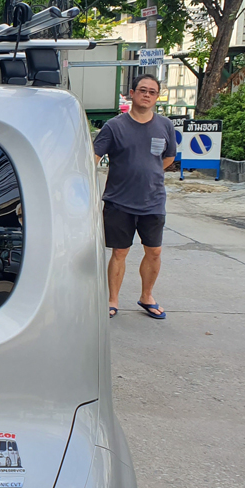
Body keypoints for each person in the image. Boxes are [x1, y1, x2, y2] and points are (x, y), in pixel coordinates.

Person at [93, 73, 176, 320]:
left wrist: (148, 174)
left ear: (157, 96)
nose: (147, 94)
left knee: (154, 251)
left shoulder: (165, 125)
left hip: (153, 200)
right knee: (119, 252)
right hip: (120, 201)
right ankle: (112, 300)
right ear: (132, 93)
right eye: (142, 90)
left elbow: (169, 157)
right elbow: (94, 158)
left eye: (152, 91)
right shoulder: (114, 126)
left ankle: (146, 296)